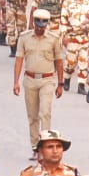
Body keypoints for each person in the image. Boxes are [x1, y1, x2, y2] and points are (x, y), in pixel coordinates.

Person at [12, 8, 65, 155]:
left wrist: (60, 84)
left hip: (47, 80)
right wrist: (15, 82)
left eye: (43, 26)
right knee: (32, 116)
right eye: (37, 26)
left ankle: (46, 145)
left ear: (47, 25)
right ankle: (35, 146)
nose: (40, 29)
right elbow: (19, 60)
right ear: (34, 23)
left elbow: (59, 62)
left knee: (45, 113)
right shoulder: (24, 38)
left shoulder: (54, 39)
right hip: (30, 79)